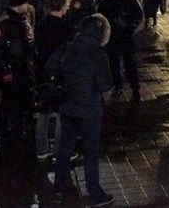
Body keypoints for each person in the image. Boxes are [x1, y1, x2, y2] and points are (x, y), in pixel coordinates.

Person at [46, 14, 114, 207]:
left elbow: (49, 68)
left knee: (65, 149)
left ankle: (59, 187)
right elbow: (105, 85)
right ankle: (95, 194)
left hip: (67, 107)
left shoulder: (67, 48)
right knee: (91, 153)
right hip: (89, 111)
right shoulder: (98, 54)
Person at [0, 0, 34, 151]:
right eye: (25, 3)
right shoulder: (4, 23)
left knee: (21, 101)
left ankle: (18, 132)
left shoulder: (22, 20)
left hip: (23, 68)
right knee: (9, 101)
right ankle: (7, 134)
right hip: (13, 69)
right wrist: (5, 70)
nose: (27, 6)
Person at [34, 0, 73, 160]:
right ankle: (59, 150)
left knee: (44, 110)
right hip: (60, 74)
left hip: (44, 72)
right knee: (61, 112)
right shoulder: (65, 27)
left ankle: (41, 149)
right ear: (62, 7)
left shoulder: (40, 25)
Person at [97, 0, 144, 101]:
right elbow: (100, 18)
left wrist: (130, 26)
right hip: (111, 37)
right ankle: (117, 86)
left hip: (126, 36)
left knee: (130, 63)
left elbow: (139, 15)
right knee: (113, 63)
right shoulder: (104, 3)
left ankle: (135, 88)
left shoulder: (130, 0)